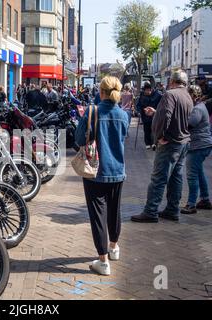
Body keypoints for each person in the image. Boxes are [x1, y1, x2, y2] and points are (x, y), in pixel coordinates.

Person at [75, 76, 129, 276]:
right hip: (117, 170)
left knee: (98, 216)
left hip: (95, 171)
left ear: (102, 92)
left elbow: (79, 138)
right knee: (115, 210)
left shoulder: (92, 111)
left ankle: (103, 261)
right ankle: (114, 247)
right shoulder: (124, 115)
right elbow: (122, 139)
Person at [131, 70, 193, 223]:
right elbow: (177, 116)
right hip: (182, 142)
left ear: (172, 81)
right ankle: (172, 209)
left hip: (171, 142)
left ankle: (151, 211)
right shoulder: (187, 96)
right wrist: (157, 112)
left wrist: (159, 137)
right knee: (175, 178)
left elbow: (166, 116)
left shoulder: (170, 94)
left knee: (159, 178)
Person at [180, 85, 212, 214]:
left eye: (188, 95)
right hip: (202, 144)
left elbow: (189, 125)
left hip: (198, 146)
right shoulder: (199, 107)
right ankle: (205, 199)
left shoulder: (197, 109)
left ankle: (191, 204)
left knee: (192, 175)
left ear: (193, 96)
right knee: (199, 172)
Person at [136, 82, 163, 150]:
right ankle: (147, 143)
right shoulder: (141, 95)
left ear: (151, 89)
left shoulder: (157, 95)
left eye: (148, 90)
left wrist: (156, 110)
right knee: (146, 130)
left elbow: (162, 103)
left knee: (154, 130)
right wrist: (139, 111)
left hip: (154, 115)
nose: (147, 92)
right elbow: (138, 105)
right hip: (145, 116)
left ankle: (154, 143)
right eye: (146, 90)